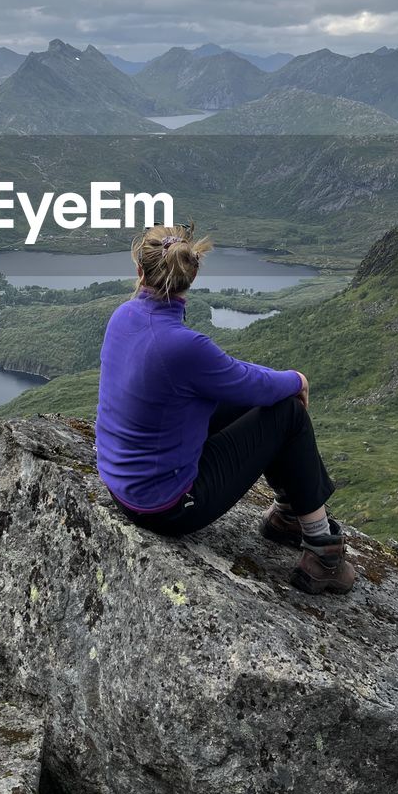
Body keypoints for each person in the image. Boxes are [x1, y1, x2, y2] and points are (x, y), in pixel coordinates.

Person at [94, 222, 356, 595]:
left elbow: (241, 382)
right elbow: (253, 382)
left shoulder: (123, 316)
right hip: (167, 507)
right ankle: (322, 553)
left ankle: (287, 517)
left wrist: (281, 384)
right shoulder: (183, 345)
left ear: (140, 271)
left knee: (265, 400)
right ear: (192, 275)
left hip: (124, 488)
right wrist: (298, 380)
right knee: (288, 413)